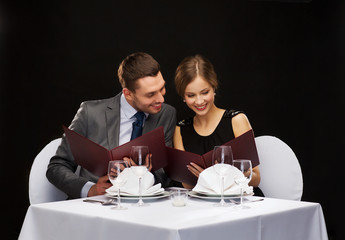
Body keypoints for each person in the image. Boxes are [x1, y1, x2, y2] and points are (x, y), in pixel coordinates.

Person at [47, 52, 177, 199]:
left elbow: (165, 173)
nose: (161, 98)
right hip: (96, 206)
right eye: (150, 94)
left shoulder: (166, 114)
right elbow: (56, 167)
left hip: (142, 205)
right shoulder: (90, 113)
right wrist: (90, 190)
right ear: (128, 94)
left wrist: (144, 174)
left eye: (162, 88)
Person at [173, 54, 264, 196]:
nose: (199, 101)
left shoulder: (236, 120)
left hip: (241, 202)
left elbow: (256, 178)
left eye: (205, 92)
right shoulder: (181, 129)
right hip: (203, 204)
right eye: (191, 95)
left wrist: (210, 177)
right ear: (183, 97)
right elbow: (188, 184)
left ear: (214, 87)